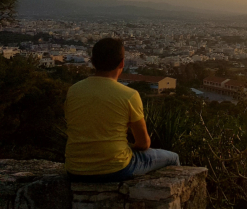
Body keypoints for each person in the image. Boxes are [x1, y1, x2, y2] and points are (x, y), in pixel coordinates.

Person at [65, 37, 180, 182]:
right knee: (173, 157)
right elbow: (144, 143)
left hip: (74, 169)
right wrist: (127, 147)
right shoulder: (129, 95)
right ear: (122, 63)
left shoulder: (73, 90)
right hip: (115, 168)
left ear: (93, 62)